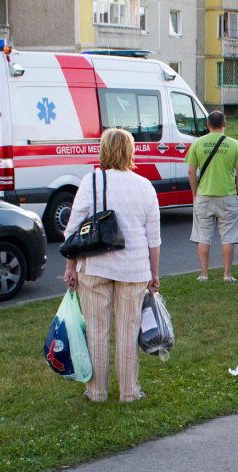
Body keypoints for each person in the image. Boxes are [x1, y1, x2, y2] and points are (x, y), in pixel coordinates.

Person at [62, 128, 160, 403]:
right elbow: (154, 238)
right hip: (135, 268)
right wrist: (154, 274)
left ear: (103, 151)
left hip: (94, 266)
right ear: (131, 152)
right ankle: (129, 392)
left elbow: (72, 232)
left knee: (96, 330)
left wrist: (71, 267)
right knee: (129, 330)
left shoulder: (90, 182)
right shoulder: (144, 185)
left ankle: (97, 392)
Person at [186, 110, 238, 283]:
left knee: (203, 236)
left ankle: (204, 274)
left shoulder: (198, 144)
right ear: (225, 124)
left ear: (207, 125)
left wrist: (194, 193)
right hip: (227, 195)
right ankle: (227, 275)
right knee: (228, 236)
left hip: (204, 195)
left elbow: (191, 171)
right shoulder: (235, 145)